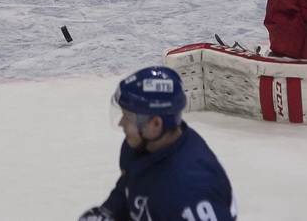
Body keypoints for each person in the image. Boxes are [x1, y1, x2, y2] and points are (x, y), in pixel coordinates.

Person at [79, 66, 237, 221]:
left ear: (155, 124)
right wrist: (110, 211)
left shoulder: (192, 187)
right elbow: (130, 184)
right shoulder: (136, 146)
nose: (121, 123)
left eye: (127, 117)